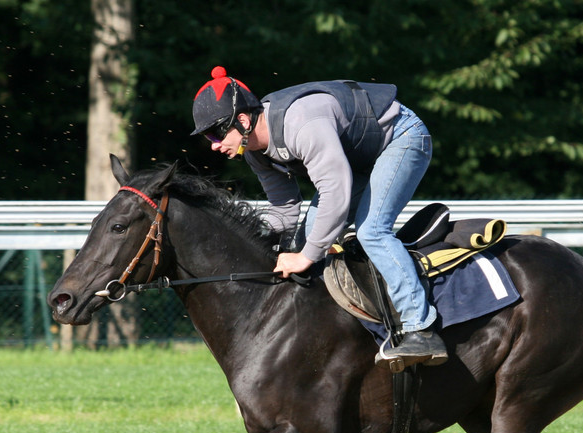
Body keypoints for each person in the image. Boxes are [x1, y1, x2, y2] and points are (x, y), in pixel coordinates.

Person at [190, 66, 447, 371]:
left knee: (371, 231)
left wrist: (307, 255)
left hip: (401, 138)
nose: (214, 145)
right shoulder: (254, 152)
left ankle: (420, 328)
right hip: (359, 159)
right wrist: (252, 246)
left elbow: (336, 194)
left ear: (242, 120)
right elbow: (284, 209)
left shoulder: (302, 124)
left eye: (215, 133)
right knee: (307, 236)